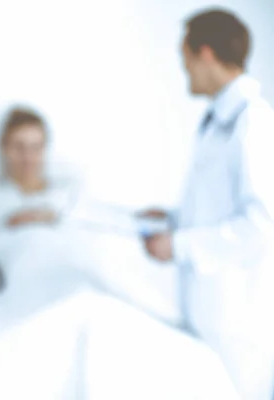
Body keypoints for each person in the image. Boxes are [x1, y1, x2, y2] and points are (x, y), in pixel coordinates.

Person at [139, 8, 274, 399]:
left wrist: (178, 246)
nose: (185, 72)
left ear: (207, 54)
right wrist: (173, 220)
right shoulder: (219, 121)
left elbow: (262, 225)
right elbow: (219, 209)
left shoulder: (254, 123)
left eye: (186, 61)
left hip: (238, 325)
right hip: (209, 314)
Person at [0, 107, 79, 231]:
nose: (28, 157)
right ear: (4, 148)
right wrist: (9, 224)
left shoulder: (67, 194)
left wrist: (55, 218)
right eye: (19, 147)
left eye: (35, 147)